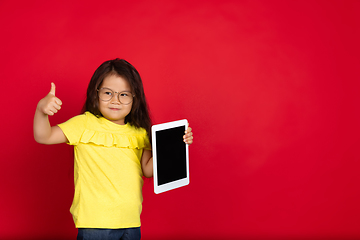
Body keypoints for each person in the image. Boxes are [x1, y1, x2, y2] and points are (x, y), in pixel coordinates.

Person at [33, 59, 194, 240]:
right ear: (96, 93)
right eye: (108, 93)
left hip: (131, 221)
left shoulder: (140, 131)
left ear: (135, 98)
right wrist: (42, 110)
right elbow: (43, 136)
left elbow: (148, 170)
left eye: (124, 95)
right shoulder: (84, 123)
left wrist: (175, 145)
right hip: (95, 223)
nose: (115, 100)